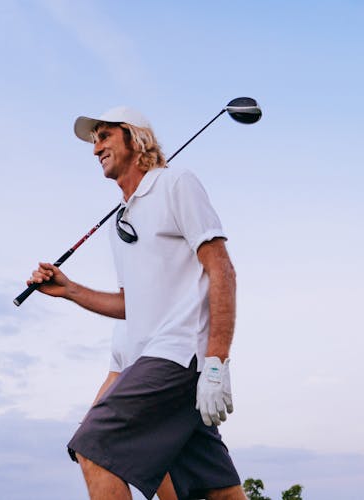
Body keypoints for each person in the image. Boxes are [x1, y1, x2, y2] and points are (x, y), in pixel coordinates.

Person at [27, 107, 245, 500]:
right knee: (218, 493)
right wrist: (70, 289)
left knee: (93, 449)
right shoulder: (121, 221)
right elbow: (131, 305)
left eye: (104, 136)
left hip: (179, 357)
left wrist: (216, 362)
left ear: (135, 137)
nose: (96, 149)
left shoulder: (176, 183)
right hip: (155, 359)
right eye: (94, 141)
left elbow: (222, 270)